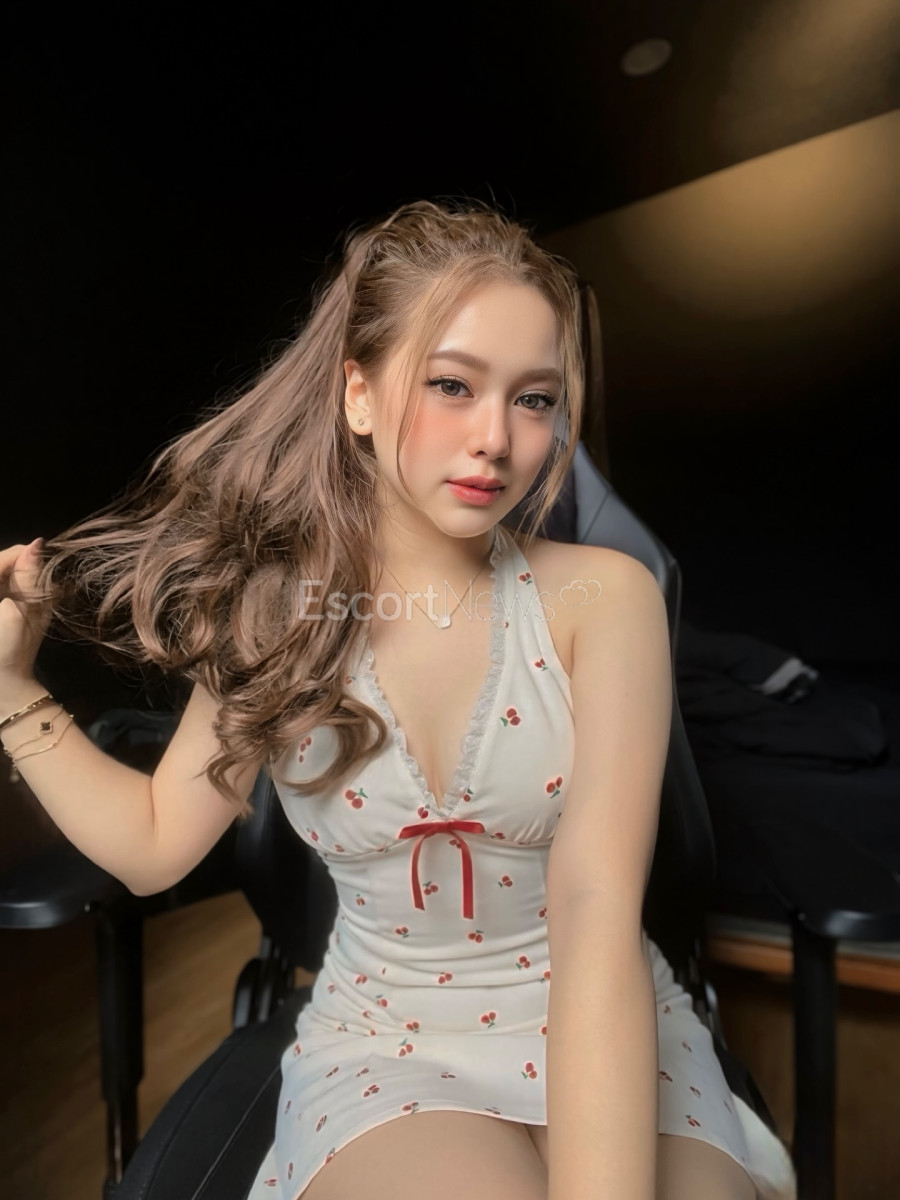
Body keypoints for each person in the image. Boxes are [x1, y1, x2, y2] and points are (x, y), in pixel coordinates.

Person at [0, 199, 782, 1200]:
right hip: (390, 1040)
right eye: (453, 385)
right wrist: (14, 691)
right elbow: (155, 843)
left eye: (535, 399)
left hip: (605, 1009)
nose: (496, 438)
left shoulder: (604, 599)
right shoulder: (277, 616)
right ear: (358, 396)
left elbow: (596, 912)